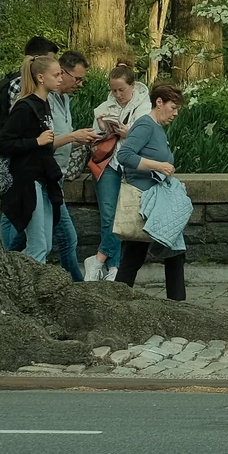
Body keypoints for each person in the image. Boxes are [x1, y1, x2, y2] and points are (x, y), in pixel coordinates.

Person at [114, 84, 190, 301]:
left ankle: (178, 302)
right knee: (133, 256)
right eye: (173, 107)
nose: (175, 113)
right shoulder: (145, 126)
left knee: (173, 250)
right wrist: (158, 165)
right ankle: (118, 301)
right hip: (144, 200)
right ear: (159, 103)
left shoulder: (157, 128)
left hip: (156, 201)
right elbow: (125, 155)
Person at [0, 53, 66, 264]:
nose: (61, 79)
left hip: (43, 178)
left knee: (43, 245)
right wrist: (35, 141)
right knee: (37, 246)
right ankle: (16, 285)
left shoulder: (44, 104)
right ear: (40, 78)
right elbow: (4, 143)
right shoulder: (24, 107)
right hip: (26, 181)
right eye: (56, 75)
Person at [89, 62, 151, 283]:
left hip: (133, 168)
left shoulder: (145, 107)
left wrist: (128, 132)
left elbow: (147, 137)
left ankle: (98, 260)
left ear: (132, 86)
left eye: (121, 90)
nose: (117, 95)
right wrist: (101, 128)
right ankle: (113, 267)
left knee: (126, 219)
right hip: (109, 164)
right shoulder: (105, 106)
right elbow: (94, 140)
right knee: (109, 216)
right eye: (114, 90)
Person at [39, 52, 97, 280]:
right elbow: (43, 142)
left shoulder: (65, 100)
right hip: (43, 177)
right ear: (62, 73)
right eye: (78, 78)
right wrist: (74, 137)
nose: (80, 84)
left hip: (57, 177)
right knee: (64, 237)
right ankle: (77, 286)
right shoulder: (45, 100)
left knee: (37, 238)